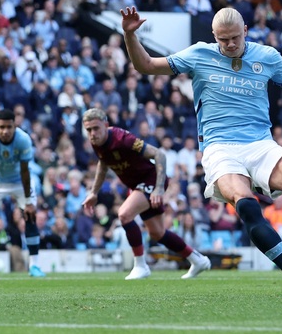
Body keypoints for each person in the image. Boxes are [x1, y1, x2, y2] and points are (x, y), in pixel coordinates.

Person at [121, 6, 282, 296]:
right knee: (246, 205)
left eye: (235, 37)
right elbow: (145, 65)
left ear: (245, 30)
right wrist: (130, 35)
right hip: (219, 149)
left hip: (260, 143)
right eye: (223, 40)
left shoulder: (267, 56)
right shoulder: (199, 54)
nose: (230, 44)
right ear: (214, 36)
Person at [81, 108, 211, 280]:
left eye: (96, 128)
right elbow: (103, 163)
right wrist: (93, 192)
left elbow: (159, 154)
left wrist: (157, 188)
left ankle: (141, 266)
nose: (92, 134)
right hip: (138, 185)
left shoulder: (123, 139)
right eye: (88, 130)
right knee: (157, 233)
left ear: (106, 125)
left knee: (124, 215)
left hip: (152, 179)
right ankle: (197, 259)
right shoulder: (97, 142)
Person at [0, 109, 46, 278]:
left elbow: (25, 172)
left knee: (30, 215)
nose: (5, 131)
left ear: (15, 126)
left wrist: (28, 201)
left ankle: (34, 266)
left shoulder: (23, 139)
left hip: (20, 181)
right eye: (2, 127)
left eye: (9, 127)